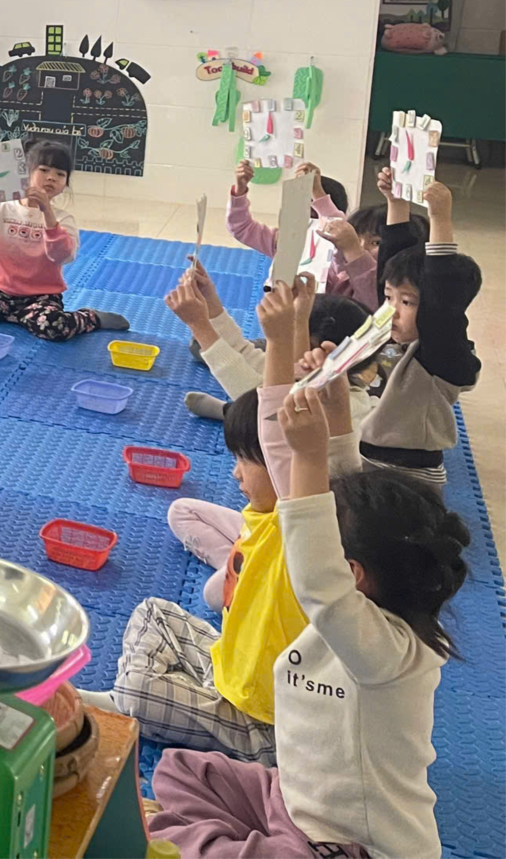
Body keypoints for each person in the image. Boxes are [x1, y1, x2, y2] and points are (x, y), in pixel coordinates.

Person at [149, 325, 471, 858]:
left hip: (354, 846)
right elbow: (343, 491)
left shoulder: (385, 652)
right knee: (182, 770)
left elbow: (316, 576)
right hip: (294, 800)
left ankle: (226, 842)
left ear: (351, 573)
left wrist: (308, 456)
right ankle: (240, 839)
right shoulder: (367, 602)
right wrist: (337, 409)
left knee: (177, 835)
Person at [86, 275, 355, 759]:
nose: (235, 473)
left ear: (283, 468)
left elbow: (281, 438)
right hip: (228, 663)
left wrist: (279, 340)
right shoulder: (271, 512)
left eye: (245, 462)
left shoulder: (301, 527)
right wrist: (297, 330)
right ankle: (138, 698)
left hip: (258, 721)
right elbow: (307, 439)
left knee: (139, 692)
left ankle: (129, 702)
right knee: (154, 611)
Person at [0, 140, 128, 340]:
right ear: (25, 172)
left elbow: (63, 256)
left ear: (65, 184)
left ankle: (91, 317)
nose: (51, 177)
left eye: (60, 174)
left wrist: (48, 214)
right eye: (44, 170)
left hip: (41, 299)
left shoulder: (62, 219)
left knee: (54, 326)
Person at [357, 173, 481, 488]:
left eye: (407, 302)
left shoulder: (438, 355)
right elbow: (391, 262)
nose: (391, 309)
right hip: (363, 455)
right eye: (389, 298)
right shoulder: (390, 330)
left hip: (403, 475)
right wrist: (396, 202)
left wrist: (440, 218)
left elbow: (440, 300)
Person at [166, 261, 370, 425]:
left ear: (324, 355)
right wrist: (209, 299)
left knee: (247, 417)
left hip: (274, 436)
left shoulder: (336, 403)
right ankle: (229, 411)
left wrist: (199, 326)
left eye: (294, 334)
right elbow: (245, 352)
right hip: (269, 416)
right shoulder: (316, 373)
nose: (285, 340)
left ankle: (228, 411)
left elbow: (257, 399)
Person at [227, 158, 376, 301]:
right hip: (282, 310)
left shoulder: (344, 249)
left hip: (321, 311)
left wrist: (317, 192)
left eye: (311, 209)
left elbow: (337, 227)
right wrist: (240, 190)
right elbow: (240, 227)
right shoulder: (283, 239)